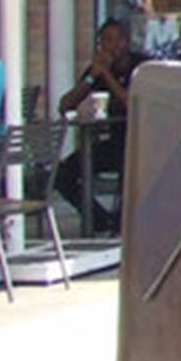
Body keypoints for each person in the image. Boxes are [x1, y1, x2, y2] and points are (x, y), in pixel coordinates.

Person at [55, 19, 142, 235]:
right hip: (113, 141)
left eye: (117, 40)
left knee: (129, 174)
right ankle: (101, 219)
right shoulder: (98, 69)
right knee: (63, 174)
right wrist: (92, 76)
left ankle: (123, 224)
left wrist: (107, 76)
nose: (112, 46)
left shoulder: (140, 67)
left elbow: (130, 102)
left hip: (140, 141)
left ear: (126, 41)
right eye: (106, 41)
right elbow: (65, 105)